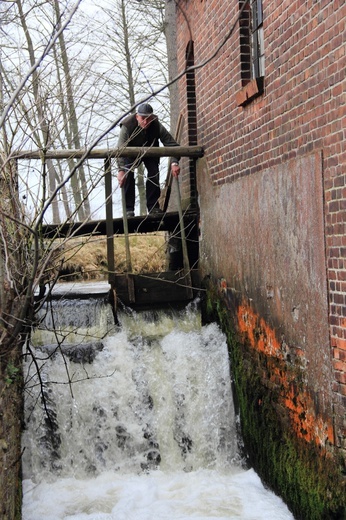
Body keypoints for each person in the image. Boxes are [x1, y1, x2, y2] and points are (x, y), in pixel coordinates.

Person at [117, 103, 181, 217]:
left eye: (148, 119)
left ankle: (153, 207)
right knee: (128, 174)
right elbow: (120, 150)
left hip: (151, 151)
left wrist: (174, 162)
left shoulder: (156, 125)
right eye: (143, 118)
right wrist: (121, 170)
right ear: (137, 116)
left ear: (152, 117)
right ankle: (128, 210)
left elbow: (172, 145)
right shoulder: (127, 125)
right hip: (130, 153)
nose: (146, 122)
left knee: (153, 173)